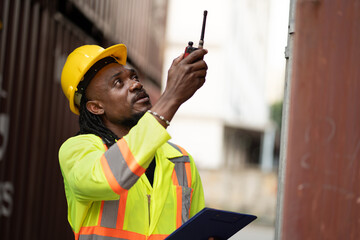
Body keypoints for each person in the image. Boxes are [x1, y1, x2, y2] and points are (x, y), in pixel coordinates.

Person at [59, 44, 208, 240]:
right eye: (118, 83)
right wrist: (171, 96)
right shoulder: (77, 151)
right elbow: (111, 178)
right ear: (96, 107)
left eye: (134, 77)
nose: (135, 84)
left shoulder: (182, 161)